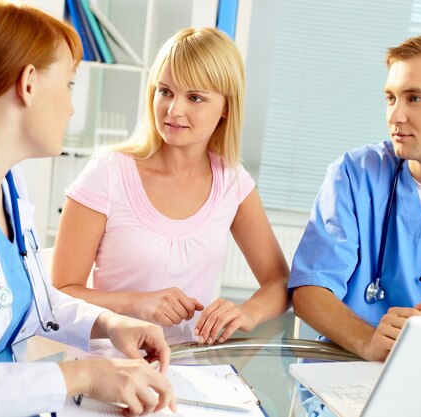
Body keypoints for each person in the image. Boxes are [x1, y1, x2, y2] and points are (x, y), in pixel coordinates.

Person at [0, 4, 176, 416]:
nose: (72, 108)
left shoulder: (6, 182)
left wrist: (109, 323)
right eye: (70, 84)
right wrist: (83, 376)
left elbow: (27, 296)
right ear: (29, 84)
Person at [52, 27, 290, 345]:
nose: (173, 110)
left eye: (195, 97)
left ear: (227, 108)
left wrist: (247, 313)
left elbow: (279, 282)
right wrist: (137, 303)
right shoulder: (108, 171)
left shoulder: (232, 182)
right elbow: (58, 297)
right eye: (165, 91)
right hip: (107, 368)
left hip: (190, 371)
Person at [289, 34, 421, 362]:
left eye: (414, 98)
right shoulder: (354, 174)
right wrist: (369, 341)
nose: (395, 115)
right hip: (348, 374)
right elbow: (310, 289)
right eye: (390, 98)